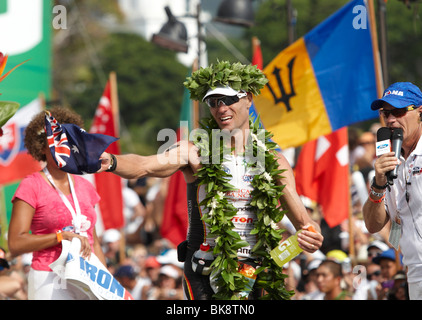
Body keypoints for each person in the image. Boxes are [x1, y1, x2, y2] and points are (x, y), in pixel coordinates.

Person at [97, 60, 323, 300]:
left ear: (248, 98)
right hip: (205, 270)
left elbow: (305, 224)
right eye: (214, 102)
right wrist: (111, 161)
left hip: (254, 271)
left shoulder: (274, 160)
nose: (221, 108)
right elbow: (144, 166)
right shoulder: (195, 152)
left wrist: (311, 235)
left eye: (228, 100)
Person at [8, 107, 106, 300]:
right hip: (50, 277)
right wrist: (61, 237)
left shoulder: (86, 186)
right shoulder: (31, 185)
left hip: (89, 276)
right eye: (56, 142)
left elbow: (94, 242)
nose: (64, 147)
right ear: (42, 147)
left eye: (69, 141)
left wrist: (106, 280)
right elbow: (16, 243)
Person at [362, 82, 422, 300]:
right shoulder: (385, 161)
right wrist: (378, 184)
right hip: (414, 273)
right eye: (385, 113)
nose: (390, 120)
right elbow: (372, 224)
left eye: (398, 112)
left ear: (419, 111)